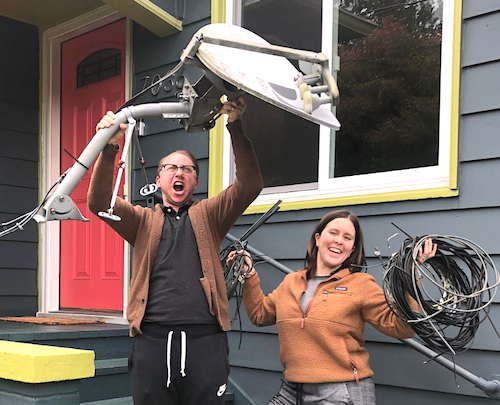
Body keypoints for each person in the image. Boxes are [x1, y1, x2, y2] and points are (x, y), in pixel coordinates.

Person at [87, 96, 263, 405]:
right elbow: (99, 204)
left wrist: (234, 126)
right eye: (171, 167)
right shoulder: (141, 220)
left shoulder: (211, 215)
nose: (178, 173)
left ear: (195, 181)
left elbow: (249, 185)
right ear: (159, 180)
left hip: (204, 340)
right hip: (152, 340)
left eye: (187, 169)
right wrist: (110, 147)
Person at [234, 209, 436, 405]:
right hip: (291, 390)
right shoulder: (291, 282)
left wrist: (411, 276)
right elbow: (259, 315)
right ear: (318, 238)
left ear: (352, 249)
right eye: (334, 233)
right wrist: (249, 274)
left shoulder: (361, 284)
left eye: (348, 238)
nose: (339, 240)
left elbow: (402, 327)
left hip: (341, 391)